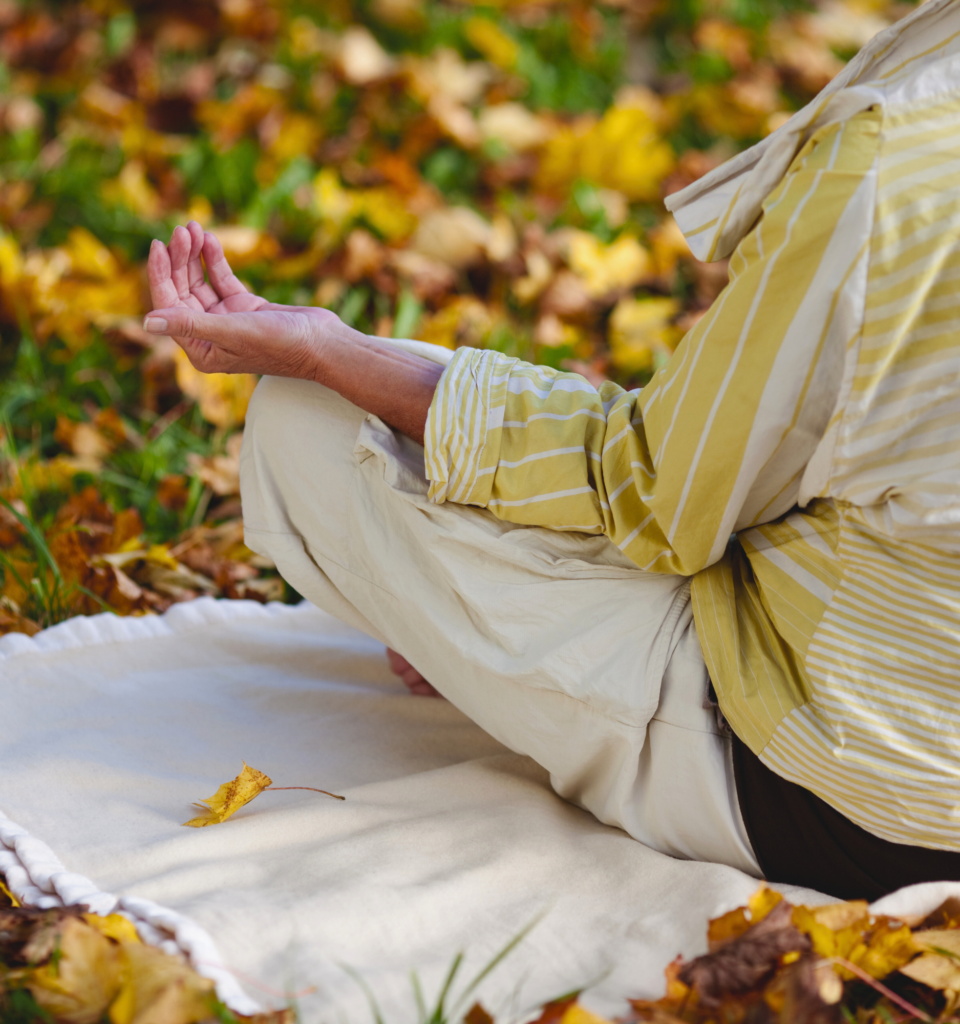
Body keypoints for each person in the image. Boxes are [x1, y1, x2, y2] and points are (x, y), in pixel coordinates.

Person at [144, 0, 960, 899]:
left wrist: (328, 353)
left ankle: (482, 632)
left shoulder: (903, 157)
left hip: (853, 794)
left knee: (310, 418)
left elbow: (659, 490)